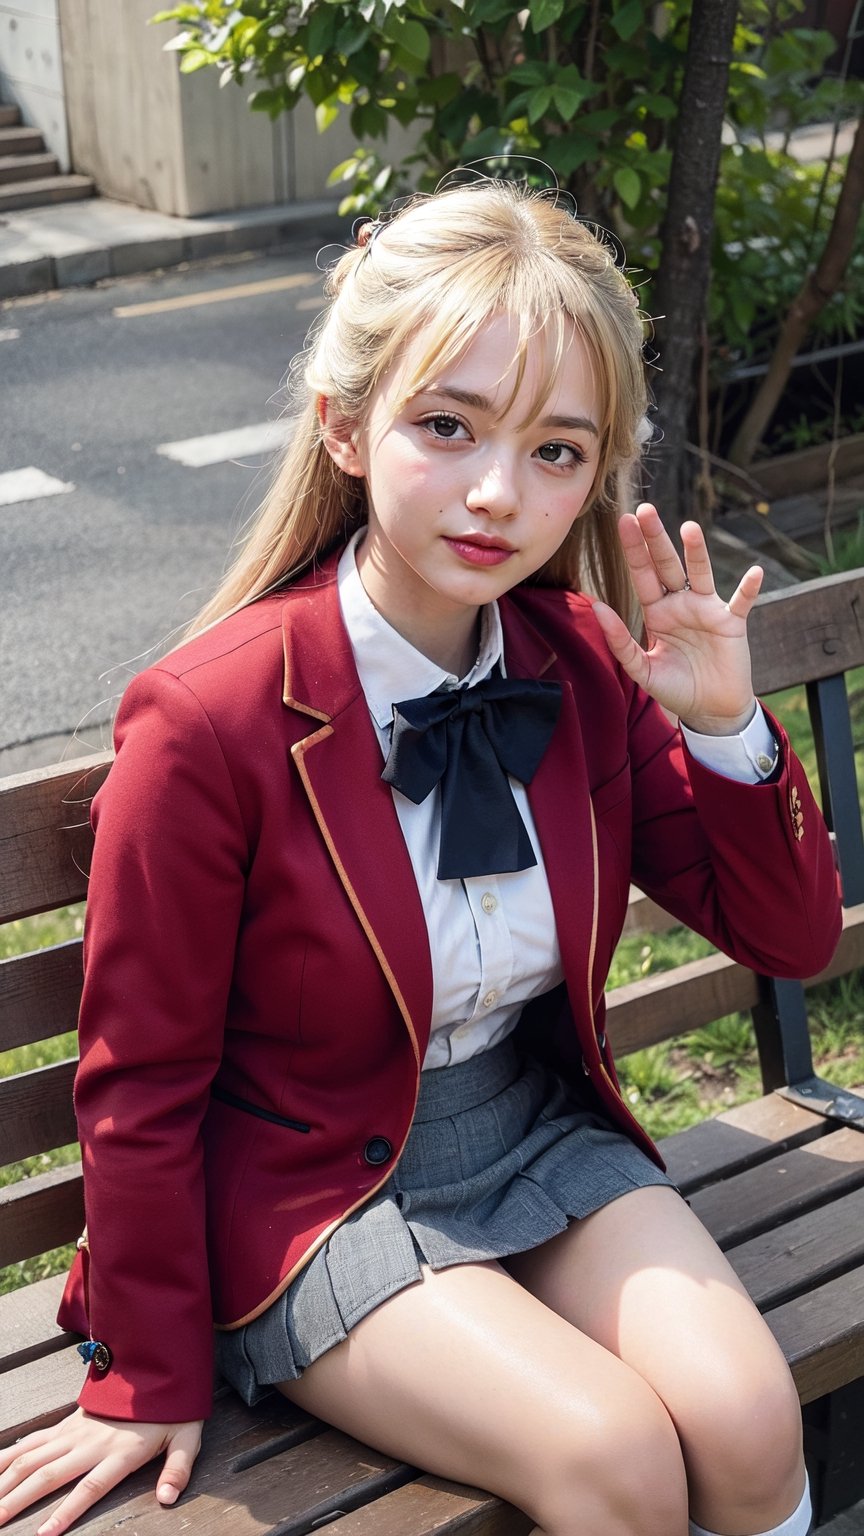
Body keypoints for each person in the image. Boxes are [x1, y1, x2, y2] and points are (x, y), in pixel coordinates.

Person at [0, 177, 841, 1536]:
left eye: (558, 452)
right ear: (345, 425)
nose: (500, 494)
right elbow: (141, 1080)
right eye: (448, 428)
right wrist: (140, 1371)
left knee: (748, 1428)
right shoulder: (209, 719)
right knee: (618, 1458)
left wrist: (729, 729)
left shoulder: (577, 664)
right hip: (313, 1191)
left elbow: (796, 943)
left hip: (537, 1136)